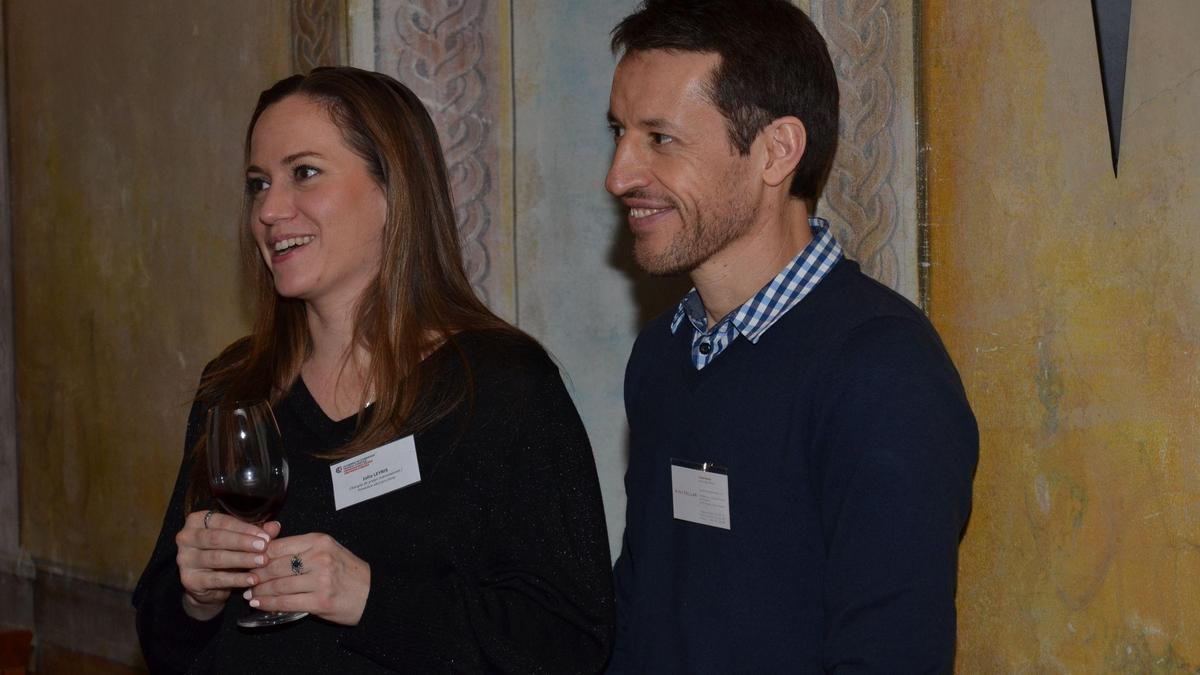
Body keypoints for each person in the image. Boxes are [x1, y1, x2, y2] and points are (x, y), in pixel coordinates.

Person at [133, 67, 614, 674]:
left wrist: (370, 600)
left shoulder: (503, 388)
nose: (270, 210)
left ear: (393, 191)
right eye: (258, 184)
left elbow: (568, 641)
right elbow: (162, 642)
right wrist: (195, 598)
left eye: (305, 173)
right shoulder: (235, 386)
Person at [604, 1, 978, 672]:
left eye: (659, 138)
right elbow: (638, 618)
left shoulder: (882, 371)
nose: (619, 175)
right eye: (619, 132)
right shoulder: (662, 354)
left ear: (776, 151)